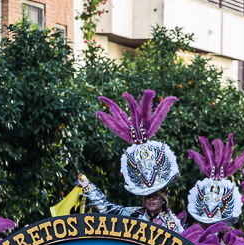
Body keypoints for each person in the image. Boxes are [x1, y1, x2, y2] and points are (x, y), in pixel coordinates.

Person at [79, 90, 184, 232]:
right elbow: (106, 208)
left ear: (164, 197)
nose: (151, 200)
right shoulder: (133, 215)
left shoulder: (173, 225)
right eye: (147, 197)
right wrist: (87, 187)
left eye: (155, 196)